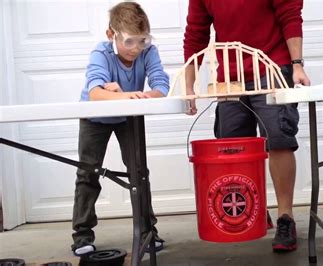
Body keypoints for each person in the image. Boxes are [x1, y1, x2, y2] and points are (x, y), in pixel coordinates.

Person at [183, 0, 310, 252]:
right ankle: (255, 211)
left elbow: (290, 14)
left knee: (279, 140)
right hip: (232, 77)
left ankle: (286, 217)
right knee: (232, 146)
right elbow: (195, 32)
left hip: (272, 68)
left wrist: (297, 65)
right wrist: (189, 86)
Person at [72, 2, 168, 256]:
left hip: (128, 115)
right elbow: (95, 93)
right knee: (88, 173)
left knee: (139, 172)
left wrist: (137, 95)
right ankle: (82, 236)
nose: (136, 49)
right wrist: (118, 95)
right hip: (94, 118)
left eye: (142, 41)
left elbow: (160, 85)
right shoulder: (100, 54)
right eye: (128, 41)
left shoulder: (149, 52)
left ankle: (149, 231)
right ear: (111, 35)